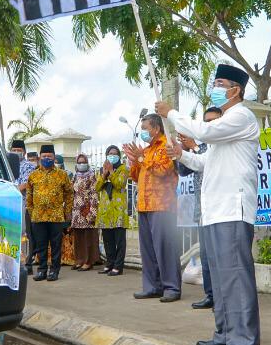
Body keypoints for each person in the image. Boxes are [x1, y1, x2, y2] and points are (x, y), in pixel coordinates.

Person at [160, 65, 261, 345]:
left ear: (235, 91)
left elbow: (202, 131)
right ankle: (225, 333)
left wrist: (171, 113)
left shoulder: (241, 116)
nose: (214, 88)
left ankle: (244, 341)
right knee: (219, 277)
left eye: (220, 83)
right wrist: (182, 155)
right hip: (215, 211)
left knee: (235, 276)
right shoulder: (227, 123)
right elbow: (207, 163)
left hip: (233, 207)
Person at [123, 114, 182, 302]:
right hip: (144, 205)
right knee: (148, 249)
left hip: (162, 205)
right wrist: (134, 160)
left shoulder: (167, 145)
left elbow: (163, 171)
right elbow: (135, 176)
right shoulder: (147, 150)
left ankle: (171, 287)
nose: (143, 132)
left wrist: (141, 158)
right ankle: (152, 286)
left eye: (145, 127)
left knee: (165, 248)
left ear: (156, 128)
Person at [176, 106, 224, 310]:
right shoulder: (202, 145)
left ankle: (224, 297)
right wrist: (185, 150)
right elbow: (184, 170)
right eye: (207, 121)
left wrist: (194, 146)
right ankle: (210, 295)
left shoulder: (221, 144)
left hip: (221, 211)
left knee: (221, 256)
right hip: (202, 210)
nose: (210, 124)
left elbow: (207, 162)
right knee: (206, 256)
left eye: (214, 120)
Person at [24, 144, 73, 282]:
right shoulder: (33, 175)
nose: (47, 158)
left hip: (56, 216)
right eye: (44, 156)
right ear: (40, 157)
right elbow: (29, 195)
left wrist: (67, 210)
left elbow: (69, 193)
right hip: (38, 216)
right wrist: (32, 212)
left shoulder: (62, 174)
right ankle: (42, 270)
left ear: (53, 157)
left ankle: (54, 270)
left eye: (49, 156)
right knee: (41, 244)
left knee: (56, 244)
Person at [95, 145, 130, 277]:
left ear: (119, 156)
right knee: (108, 240)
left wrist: (111, 172)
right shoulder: (101, 170)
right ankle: (109, 264)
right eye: (110, 153)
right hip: (105, 211)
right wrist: (104, 174)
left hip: (118, 211)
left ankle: (118, 266)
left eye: (115, 154)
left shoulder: (123, 169)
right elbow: (97, 187)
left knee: (119, 241)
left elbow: (120, 184)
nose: (112, 155)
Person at [69, 153, 100, 271]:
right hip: (76, 211)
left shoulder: (92, 176)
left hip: (87, 209)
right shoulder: (75, 176)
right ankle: (79, 260)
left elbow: (94, 194)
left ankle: (88, 261)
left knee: (88, 237)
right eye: (79, 162)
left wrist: (92, 211)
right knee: (78, 237)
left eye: (84, 162)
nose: (81, 164)